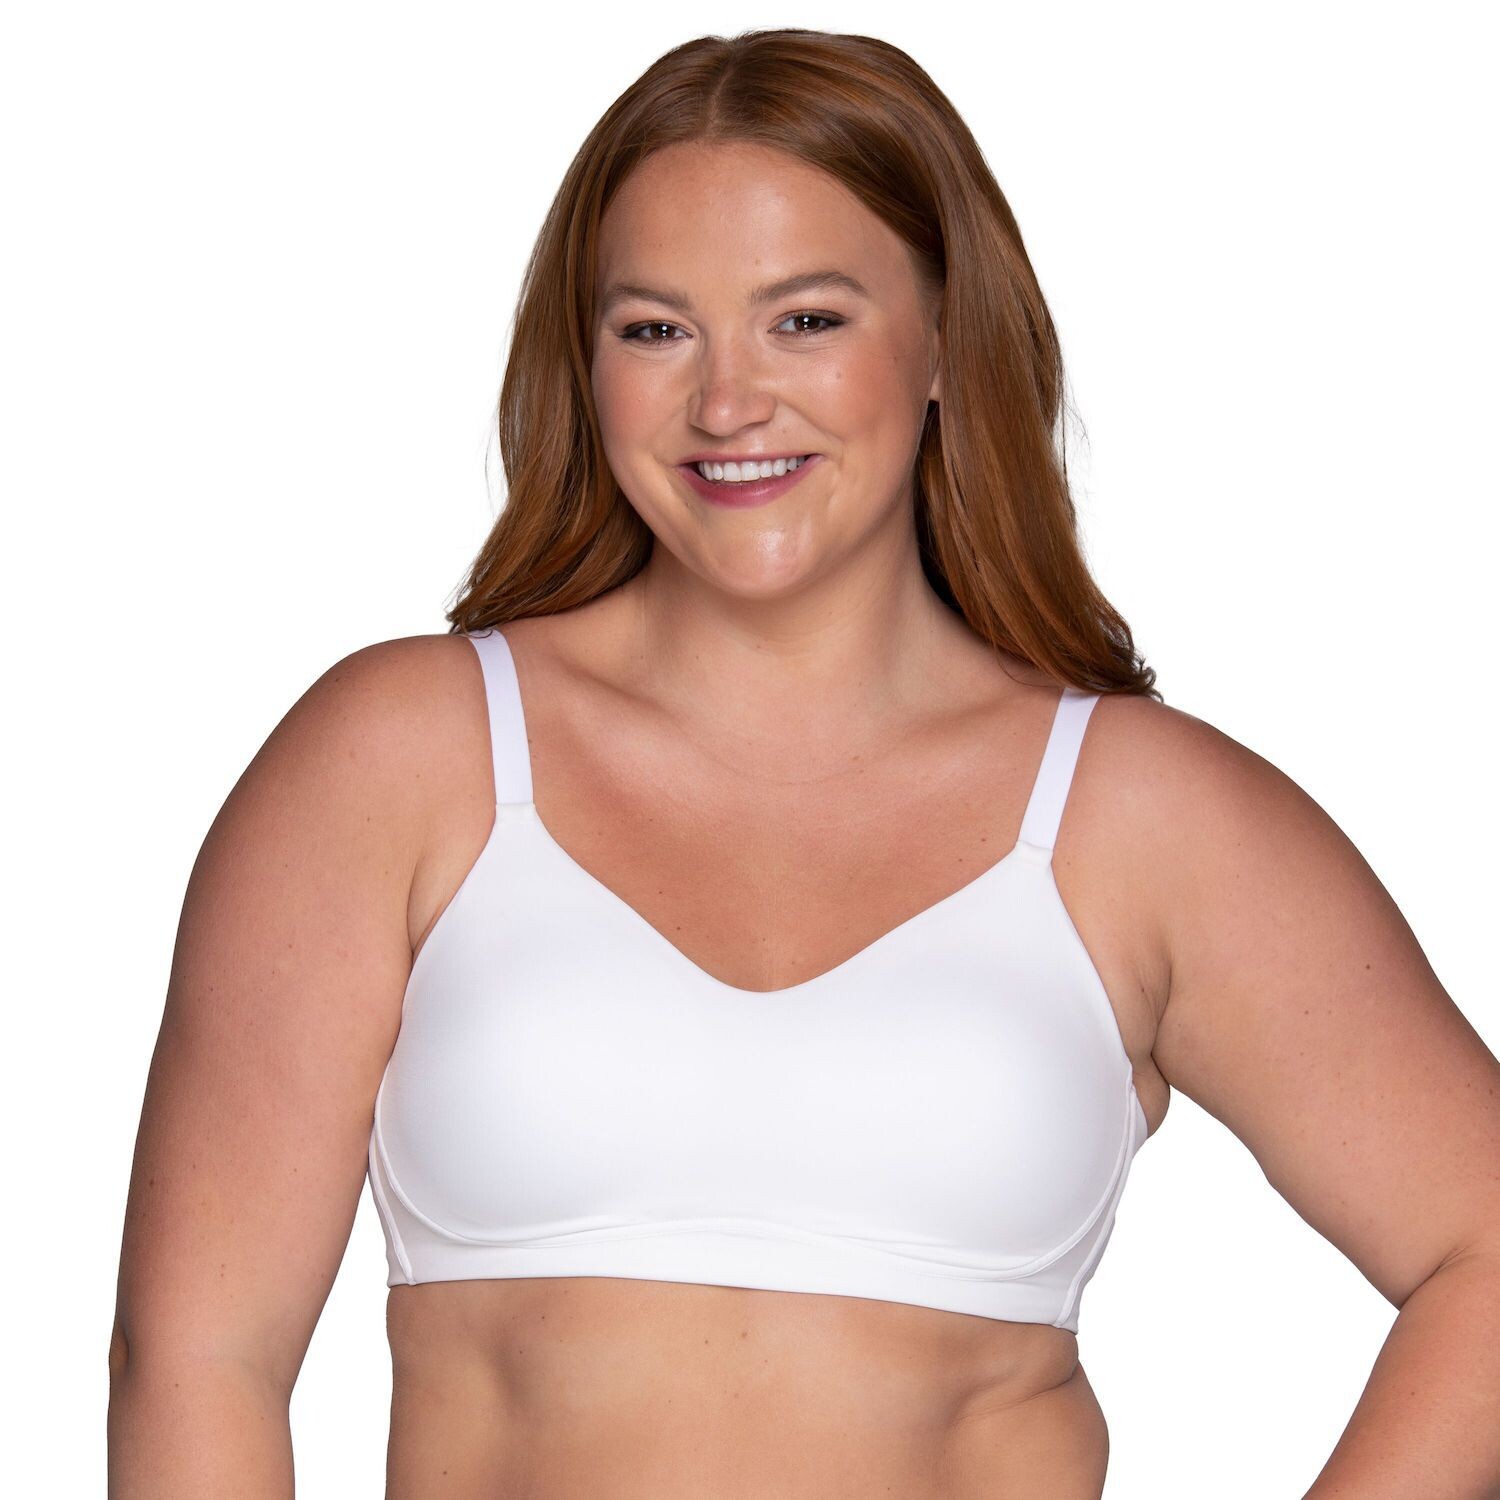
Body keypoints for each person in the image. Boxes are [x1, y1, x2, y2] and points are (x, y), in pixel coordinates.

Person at [107, 27, 1500, 1500]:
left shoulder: (1142, 819)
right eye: (656, 330)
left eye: (807, 320)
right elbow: (197, 1359)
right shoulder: (400, 761)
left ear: (947, 343)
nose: (727, 403)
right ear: (586, 364)